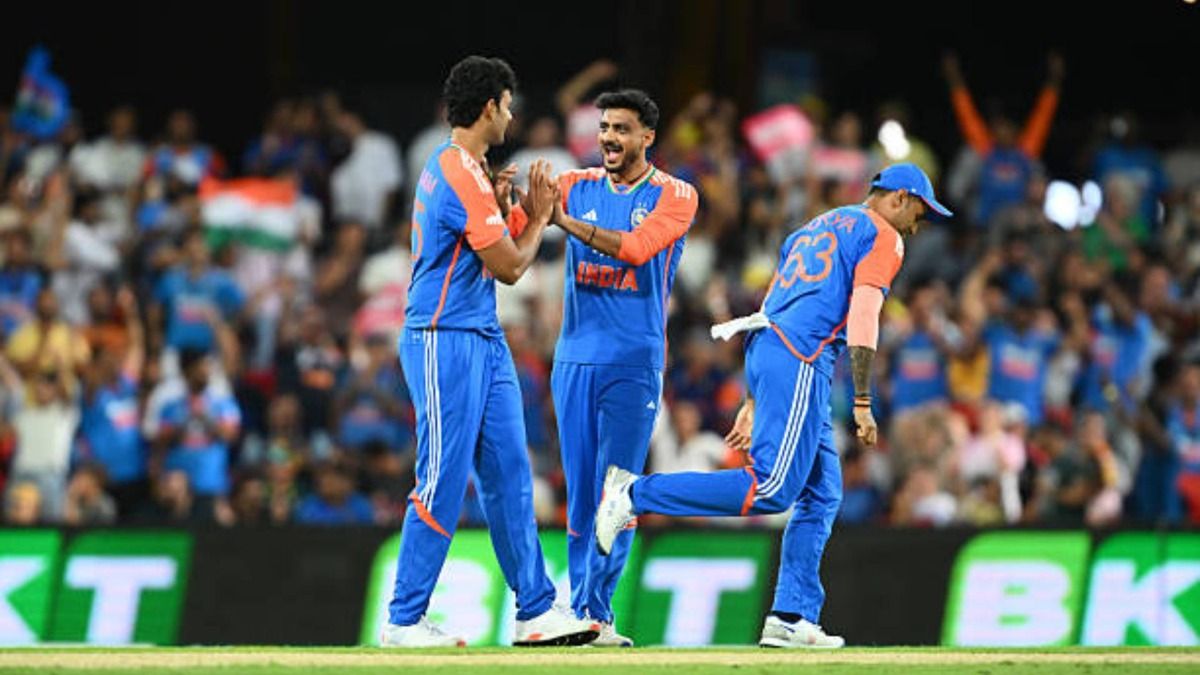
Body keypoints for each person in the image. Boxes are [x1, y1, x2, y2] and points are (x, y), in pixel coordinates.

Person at [594, 163, 950, 648]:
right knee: (774, 489)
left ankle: (790, 613)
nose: (918, 224)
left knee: (822, 492)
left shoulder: (816, 226)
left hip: (771, 347)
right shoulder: (885, 236)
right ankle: (634, 494)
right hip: (802, 356)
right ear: (900, 198)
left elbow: (772, 301)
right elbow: (865, 314)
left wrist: (753, 395)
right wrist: (863, 400)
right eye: (920, 212)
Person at [381, 55, 597, 649]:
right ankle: (403, 619)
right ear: (488, 108)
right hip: (441, 336)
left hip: (481, 335)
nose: (512, 113)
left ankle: (535, 610)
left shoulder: (469, 170)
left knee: (509, 473)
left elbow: (487, 246)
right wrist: (541, 217)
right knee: (443, 476)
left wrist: (517, 211)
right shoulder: (458, 171)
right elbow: (507, 266)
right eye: (507, 103)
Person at [548, 89, 698, 646]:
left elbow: (636, 250)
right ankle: (578, 612)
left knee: (618, 492)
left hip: (634, 361)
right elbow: (512, 215)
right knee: (583, 492)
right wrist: (503, 190)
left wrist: (563, 221)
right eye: (604, 127)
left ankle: (597, 613)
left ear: (647, 138)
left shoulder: (676, 195)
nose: (609, 137)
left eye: (621, 129)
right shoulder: (575, 185)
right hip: (572, 358)